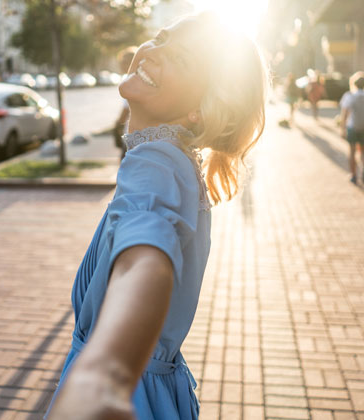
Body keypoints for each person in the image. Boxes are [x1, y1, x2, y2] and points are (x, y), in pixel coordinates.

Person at [45, 12, 267, 420]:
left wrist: (104, 373)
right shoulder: (175, 158)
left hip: (127, 393)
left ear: (198, 110)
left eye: (180, 59)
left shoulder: (156, 160)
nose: (153, 52)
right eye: (162, 38)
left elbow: (145, 261)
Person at [339, 71, 364, 184]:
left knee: (352, 151)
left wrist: (342, 128)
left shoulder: (349, 96)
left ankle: (353, 174)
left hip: (352, 127)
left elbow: (344, 114)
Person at [114, 46, 138, 160]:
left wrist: (117, 125)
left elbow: (126, 108)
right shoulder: (141, 78)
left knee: (125, 168)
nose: (121, 65)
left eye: (124, 62)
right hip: (138, 134)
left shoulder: (130, 81)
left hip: (132, 134)